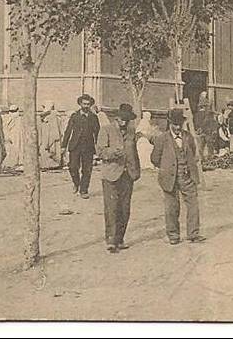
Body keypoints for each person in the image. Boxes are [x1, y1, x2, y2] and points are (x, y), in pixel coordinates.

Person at [151, 109, 204, 244]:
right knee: (172, 208)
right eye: (175, 124)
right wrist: (167, 167)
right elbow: (154, 159)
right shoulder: (162, 139)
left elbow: (191, 152)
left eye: (180, 124)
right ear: (170, 123)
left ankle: (193, 233)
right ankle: (173, 235)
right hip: (169, 178)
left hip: (187, 176)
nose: (177, 127)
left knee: (193, 205)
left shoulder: (188, 137)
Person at [98, 103, 141, 252]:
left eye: (127, 119)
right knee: (111, 208)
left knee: (124, 208)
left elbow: (134, 152)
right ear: (117, 117)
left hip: (127, 174)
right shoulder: (106, 130)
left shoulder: (131, 131)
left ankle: (120, 239)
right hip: (110, 174)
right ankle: (111, 240)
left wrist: (136, 170)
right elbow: (100, 151)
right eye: (123, 118)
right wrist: (113, 153)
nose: (124, 121)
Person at [61, 94, 101, 199]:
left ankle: (84, 190)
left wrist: (99, 148)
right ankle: (76, 183)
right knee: (73, 167)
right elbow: (68, 131)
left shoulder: (94, 117)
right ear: (80, 104)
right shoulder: (75, 116)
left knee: (87, 169)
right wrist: (63, 146)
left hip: (88, 147)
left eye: (88, 104)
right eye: (84, 104)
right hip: (75, 146)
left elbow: (97, 133)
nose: (86, 106)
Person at [38, 101, 65, 169]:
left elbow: (54, 129)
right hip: (48, 136)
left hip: (51, 136)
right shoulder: (51, 116)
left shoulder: (52, 116)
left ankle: (52, 165)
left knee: (51, 150)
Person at [1, 104, 25, 170]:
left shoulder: (16, 119)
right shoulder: (9, 118)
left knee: (17, 150)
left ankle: (18, 164)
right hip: (13, 137)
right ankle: (14, 164)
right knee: (14, 150)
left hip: (17, 136)